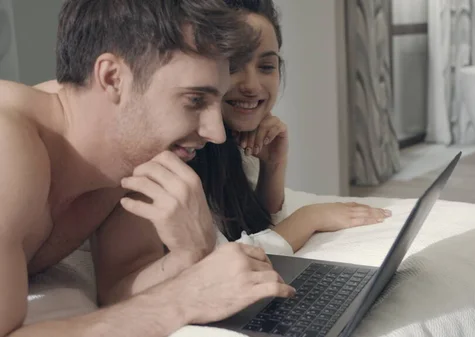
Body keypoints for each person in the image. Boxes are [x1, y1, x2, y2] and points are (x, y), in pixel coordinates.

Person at [0, 1, 295, 336]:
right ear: (112, 78)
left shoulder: (128, 157)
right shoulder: (8, 149)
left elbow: (119, 290)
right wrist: (178, 302)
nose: (216, 132)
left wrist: (189, 254)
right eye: (195, 100)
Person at [190, 0, 393, 254]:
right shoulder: (186, 150)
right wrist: (310, 218)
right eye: (233, 67)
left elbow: (257, 228)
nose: (252, 86)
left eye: (266, 67)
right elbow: (223, 266)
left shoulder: (235, 140)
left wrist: (273, 165)